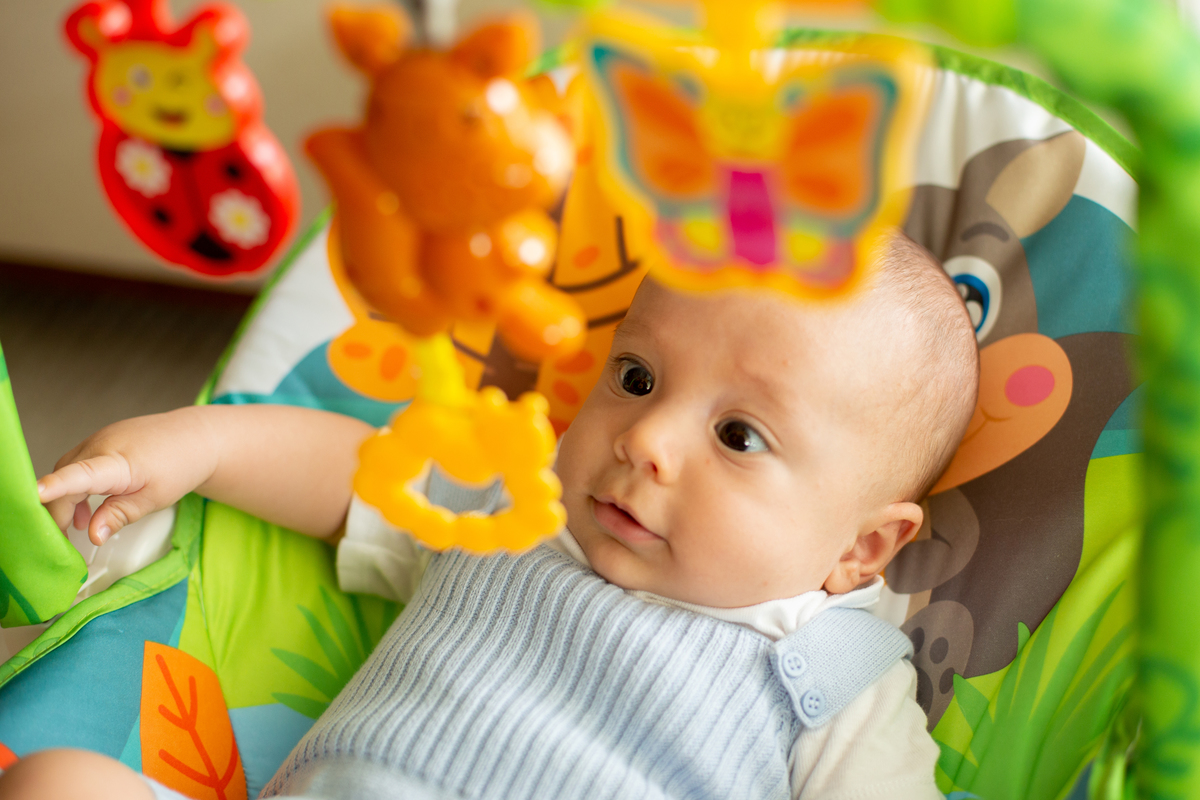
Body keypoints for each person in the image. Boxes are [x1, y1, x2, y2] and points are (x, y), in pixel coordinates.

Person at [0, 232, 979, 800]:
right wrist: (199, 443)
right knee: (58, 783)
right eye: (637, 378)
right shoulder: (518, 506)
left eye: (739, 435)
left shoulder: (834, 673)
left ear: (860, 548)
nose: (645, 438)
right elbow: (361, 474)